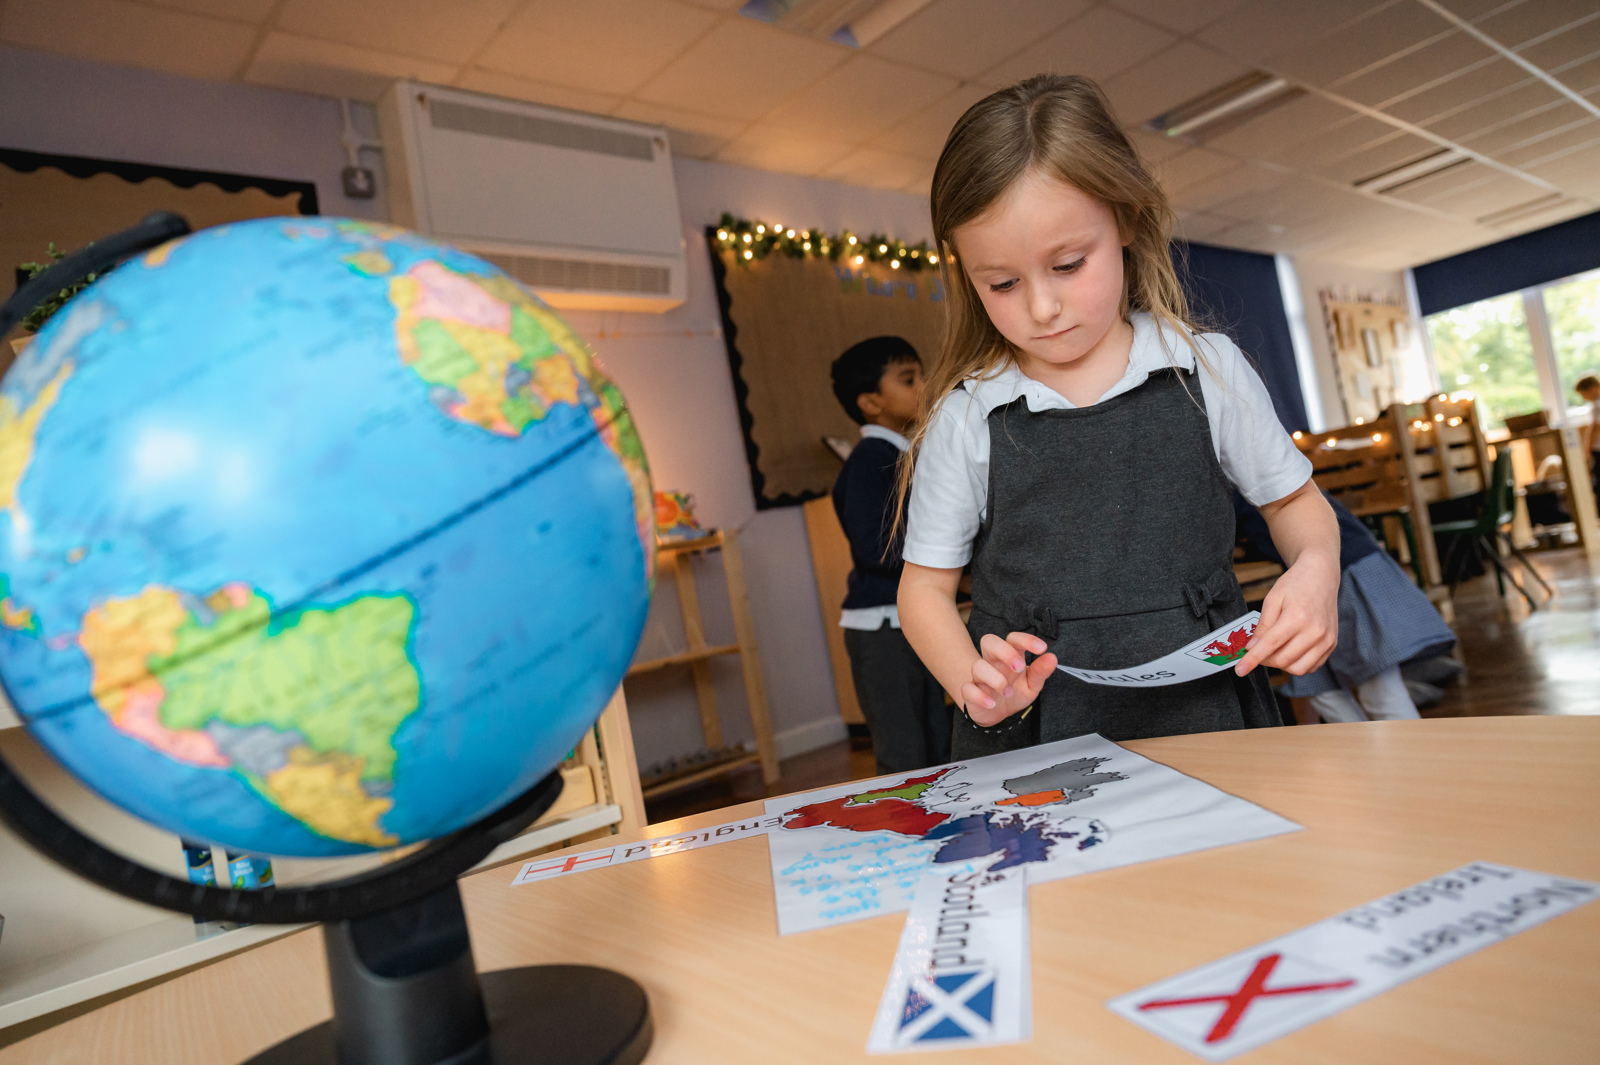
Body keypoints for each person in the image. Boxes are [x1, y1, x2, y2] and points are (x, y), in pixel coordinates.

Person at [894, 75, 1341, 758]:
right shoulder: (969, 416)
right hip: (1037, 733)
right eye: (1003, 283)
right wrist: (974, 682)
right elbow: (923, 589)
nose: (1042, 306)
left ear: (1126, 219)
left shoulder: (1207, 368)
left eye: (1068, 264)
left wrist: (1316, 570)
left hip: (1208, 712)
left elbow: (1296, 504)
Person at [830, 336, 952, 772]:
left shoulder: (906, 456)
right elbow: (879, 547)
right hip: (882, 629)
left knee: (937, 741)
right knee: (904, 755)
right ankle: (905, 836)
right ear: (870, 403)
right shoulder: (869, 461)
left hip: (911, 621)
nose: (924, 384)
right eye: (908, 378)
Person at [1235, 490, 1455, 723]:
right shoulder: (1282, 482)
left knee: (1378, 692)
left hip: (1344, 573)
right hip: (1341, 570)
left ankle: (1410, 758)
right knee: (1322, 689)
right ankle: (1370, 754)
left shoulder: (1238, 488)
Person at [1578, 374, 1600, 504]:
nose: (1584, 398)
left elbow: (1596, 427)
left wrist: (1588, 447)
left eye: (1583, 394)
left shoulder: (1597, 405)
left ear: (1591, 389)